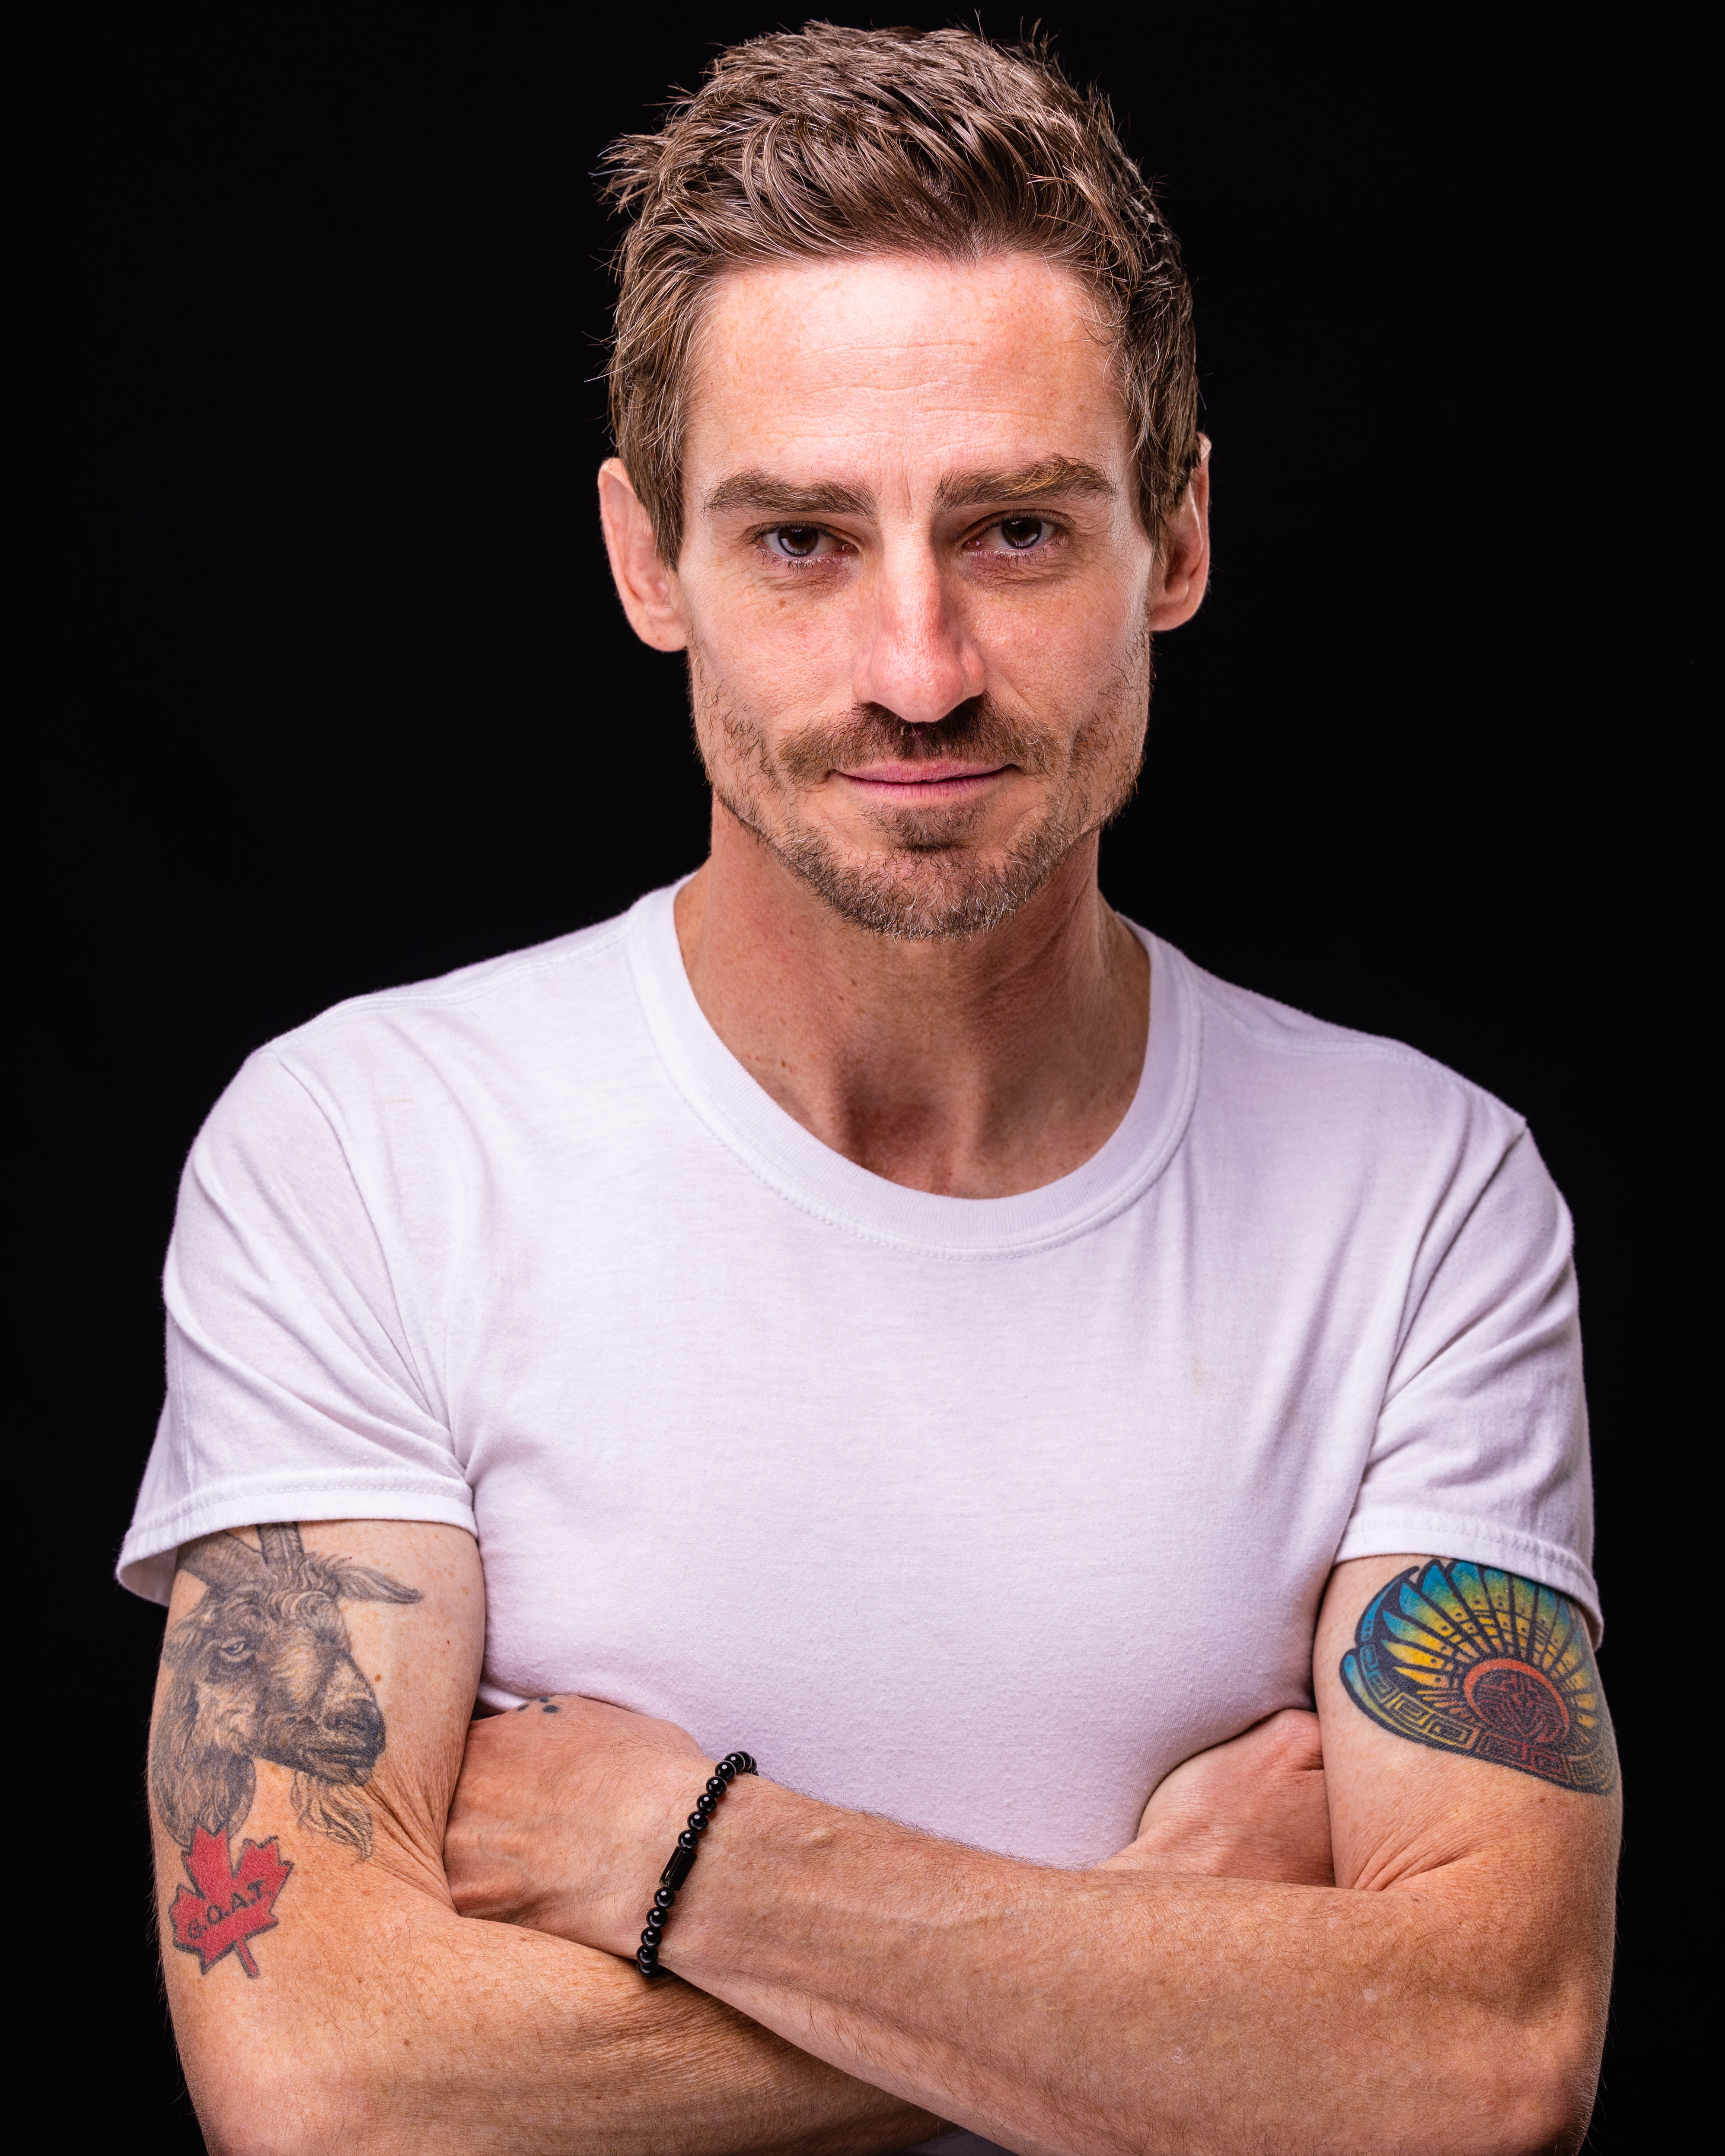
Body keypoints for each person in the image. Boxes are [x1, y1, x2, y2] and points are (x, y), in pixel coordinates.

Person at [123, 24, 1618, 2154]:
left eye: (1012, 530)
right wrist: (1148, 1956)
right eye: (802, 541)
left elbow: (1476, 2063)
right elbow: (329, 2082)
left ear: (1173, 537)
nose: (916, 669)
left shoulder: (1419, 1196)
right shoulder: (365, 1153)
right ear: (648, 561)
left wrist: (693, 1861)